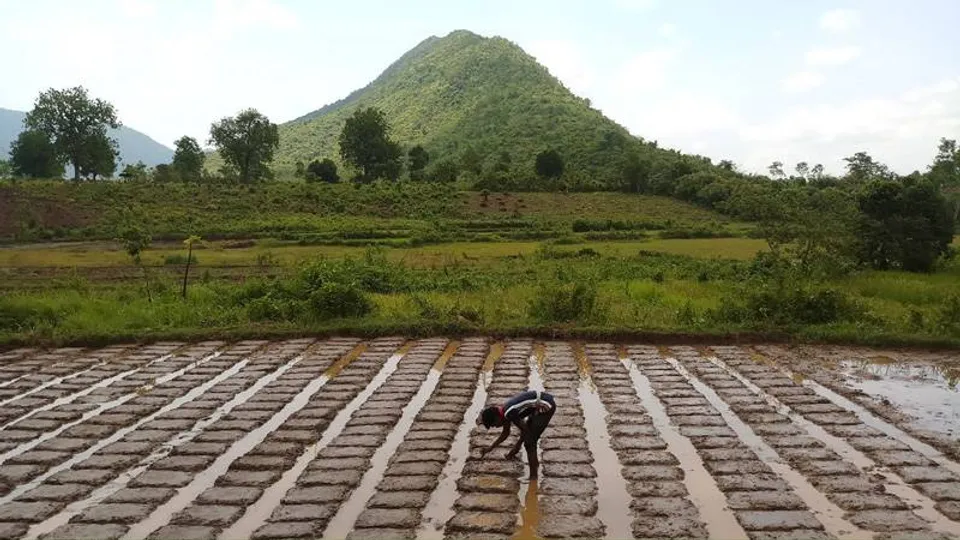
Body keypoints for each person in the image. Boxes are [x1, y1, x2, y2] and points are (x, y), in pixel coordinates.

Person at [476, 389, 556, 479]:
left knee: (529, 443)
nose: (495, 427)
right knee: (530, 437)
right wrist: (489, 449)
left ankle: (533, 477)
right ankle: (535, 464)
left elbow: (525, 430)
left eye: (494, 425)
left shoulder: (508, 412)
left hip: (545, 405)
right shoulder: (504, 414)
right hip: (536, 407)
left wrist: (517, 447)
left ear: (496, 418)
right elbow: (505, 433)